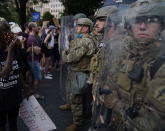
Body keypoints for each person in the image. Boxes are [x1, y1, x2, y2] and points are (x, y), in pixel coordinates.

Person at [100, 1, 165, 131]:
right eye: (137, 20)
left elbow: (153, 124)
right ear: (129, 27)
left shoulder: (161, 64)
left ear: (161, 26)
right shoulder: (125, 55)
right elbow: (109, 83)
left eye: (151, 20)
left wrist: (116, 104)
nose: (142, 26)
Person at [0, 16, 29, 131]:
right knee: (0, 126)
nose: (10, 34)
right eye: (6, 31)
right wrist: (10, 51)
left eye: (10, 30)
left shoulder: (14, 47)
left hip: (14, 95)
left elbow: (17, 70)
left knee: (13, 123)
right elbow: (3, 74)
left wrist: (25, 87)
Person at [62, 18, 95, 131]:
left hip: (80, 73)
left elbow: (72, 57)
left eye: (79, 25)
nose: (76, 27)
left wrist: (64, 54)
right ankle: (81, 116)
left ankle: (77, 122)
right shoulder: (81, 39)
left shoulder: (85, 41)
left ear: (85, 28)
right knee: (79, 97)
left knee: (77, 98)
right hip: (77, 71)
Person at [27, 22, 44, 99]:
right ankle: (35, 94)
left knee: (33, 77)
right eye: (36, 26)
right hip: (33, 60)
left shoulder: (33, 37)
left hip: (33, 60)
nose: (38, 27)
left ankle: (31, 92)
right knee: (37, 77)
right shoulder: (31, 38)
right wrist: (39, 50)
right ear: (33, 28)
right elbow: (37, 51)